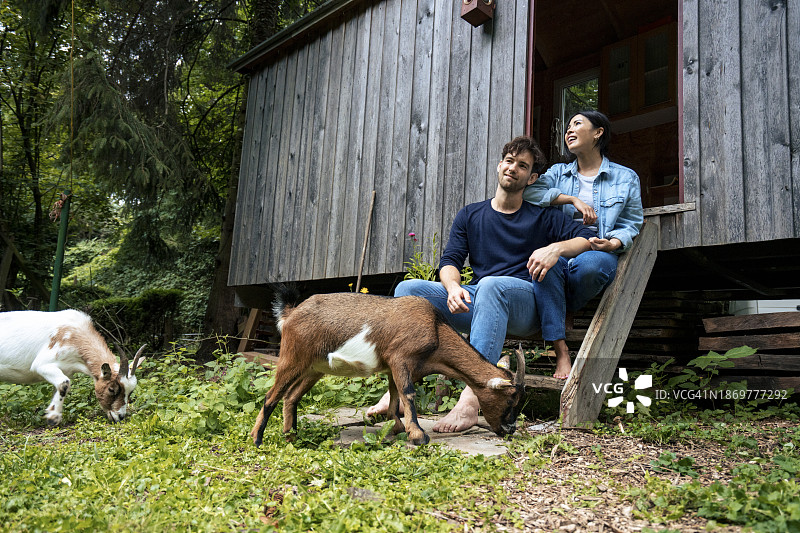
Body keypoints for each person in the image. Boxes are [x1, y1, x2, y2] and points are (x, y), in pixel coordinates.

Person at [367, 135, 596, 433]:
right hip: (481, 300)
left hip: (525, 305)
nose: (513, 168)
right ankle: (399, 390)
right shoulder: (471, 214)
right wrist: (453, 288)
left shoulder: (544, 217)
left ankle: (470, 400)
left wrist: (555, 249)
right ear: (499, 165)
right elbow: (450, 261)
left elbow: (586, 239)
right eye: (509, 161)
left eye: (523, 165)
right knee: (407, 291)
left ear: (531, 178)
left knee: (491, 286)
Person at [522, 110, 643, 379]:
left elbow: (632, 223)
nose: (569, 130)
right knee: (543, 266)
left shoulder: (625, 177)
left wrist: (613, 242)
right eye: (567, 126)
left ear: (598, 133)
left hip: (597, 248)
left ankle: (565, 306)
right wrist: (570, 199)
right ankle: (561, 352)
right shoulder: (557, 173)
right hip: (562, 246)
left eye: (577, 124)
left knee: (592, 267)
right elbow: (529, 192)